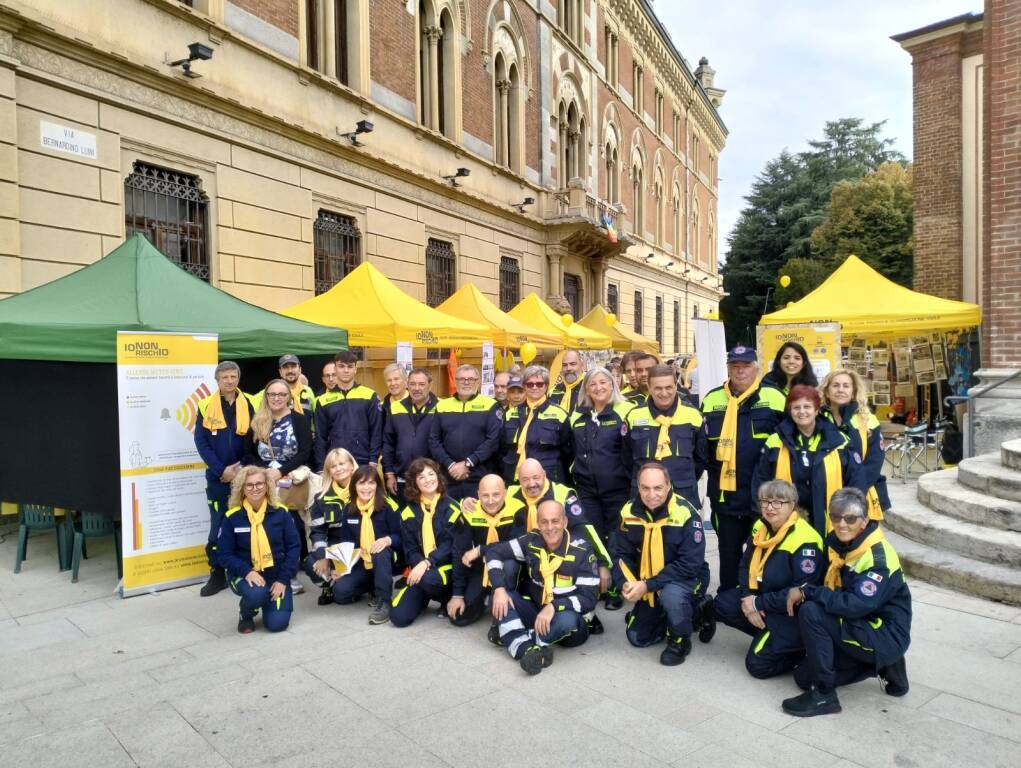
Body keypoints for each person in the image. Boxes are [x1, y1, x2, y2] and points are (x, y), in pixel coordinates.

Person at [782, 488, 911, 716]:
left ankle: (825, 695)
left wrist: (807, 591)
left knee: (811, 610)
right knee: (803, 677)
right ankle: (886, 665)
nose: (842, 524)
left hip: (883, 633)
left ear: (865, 521)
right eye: (836, 517)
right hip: (860, 624)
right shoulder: (840, 543)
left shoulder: (877, 558)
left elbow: (855, 605)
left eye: (850, 518)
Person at [715, 480, 824, 679]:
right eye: (765, 501)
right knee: (722, 604)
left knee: (757, 666)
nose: (770, 507)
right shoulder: (761, 526)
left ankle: (796, 650)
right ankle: (768, 635)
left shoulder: (806, 539)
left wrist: (757, 603)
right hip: (761, 598)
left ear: (792, 505)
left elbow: (801, 590)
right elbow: (745, 565)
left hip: (791, 612)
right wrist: (749, 597)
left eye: (778, 502)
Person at [611, 463, 715, 666]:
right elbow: (621, 554)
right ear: (638, 488)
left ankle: (683, 636)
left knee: (671, 597)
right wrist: (626, 583)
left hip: (686, 578)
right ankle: (669, 617)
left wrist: (647, 586)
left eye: (658, 488)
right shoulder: (628, 512)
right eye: (645, 488)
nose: (651, 495)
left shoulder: (686, 513)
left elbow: (689, 564)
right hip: (649, 580)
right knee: (637, 638)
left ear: (668, 486)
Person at [701, 346, 786, 591]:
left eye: (746, 365)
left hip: (764, 495)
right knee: (728, 554)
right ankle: (728, 600)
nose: (740, 371)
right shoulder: (712, 399)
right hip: (725, 495)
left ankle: (758, 599)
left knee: (763, 551)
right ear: (728, 368)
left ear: (756, 368)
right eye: (735, 366)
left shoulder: (776, 397)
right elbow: (701, 447)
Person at [484, 499, 600, 675]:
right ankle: (529, 649)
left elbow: (589, 599)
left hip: (569, 619)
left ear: (565, 522)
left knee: (568, 621)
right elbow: (494, 552)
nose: (550, 527)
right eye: (544, 522)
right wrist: (499, 588)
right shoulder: (532, 541)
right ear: (538, 524)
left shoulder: (582, 550)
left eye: (555, 521)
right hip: (539, 612)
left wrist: (554, 606)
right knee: (498, 599)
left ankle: (513, 636)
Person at [504, 458, 610, 632]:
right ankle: (508, 611)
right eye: (525, 479)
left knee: (571, 564)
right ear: (519, 479)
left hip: (556, 556)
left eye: (536, 477)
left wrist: (602, 563)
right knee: (507, 565)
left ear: (545, 475)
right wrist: (466, 503)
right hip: (526, 555)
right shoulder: (510, 493)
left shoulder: (563, 494)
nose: (532, 484)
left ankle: (582, 613)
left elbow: (584, 529)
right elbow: (487, 503)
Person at [753, 385, 862, 537]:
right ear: (790, 411)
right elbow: (761, 481)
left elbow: (855, 481)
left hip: (830, 520)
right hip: (786, 520)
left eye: (807, 407)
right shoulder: (775, 442)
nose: (802, 412)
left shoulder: (839, 441)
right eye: (796, 407)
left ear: (816, 410)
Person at [569, 366, 634, 610]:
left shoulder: (625, 411)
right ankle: (596, 584)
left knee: (617, 539)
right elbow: (569, 451)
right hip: (587, 491)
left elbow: (631, 452)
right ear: (586, 389)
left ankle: (617, 587)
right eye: (592, 384)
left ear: (613, 384)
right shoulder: (577, 416)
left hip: (617, 489)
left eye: (603, 383)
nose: (598, 388)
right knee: (591, 537)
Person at [244, 379, 313, 594]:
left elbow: (305, 452)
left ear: (288, 398)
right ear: (266, 397)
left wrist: (280, 471)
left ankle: (288, 576)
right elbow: (248, 454)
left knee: (290, 530)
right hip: (264, 484)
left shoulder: (300, 420)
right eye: (272, 394)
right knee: (268, 530)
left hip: (291, 483)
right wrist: (265, 473)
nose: (276, 398)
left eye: (281, 394)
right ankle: (266, 573)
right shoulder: (257, 422)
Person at [307, 464, 399, 624]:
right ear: (354, 485)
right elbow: (347, 542)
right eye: (361, 483)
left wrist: (387, 540)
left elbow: (402, 536)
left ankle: (384, 600)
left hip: (388, 557)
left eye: (371, 483)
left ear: (377, 485)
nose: (366, 488)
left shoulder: (388, 505)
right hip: (362, 560)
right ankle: (371, 585)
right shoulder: (349, 508)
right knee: (340, 593)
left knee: (379, 551)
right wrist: (343, 568)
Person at [194, 361, 255, 597]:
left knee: (249, 524)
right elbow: (202, 442)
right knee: (218, 527)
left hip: (245, 476)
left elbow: (255, 439)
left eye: (233, 376)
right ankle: (217, 574)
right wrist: (221, 470)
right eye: (225, 377)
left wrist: (240, 469)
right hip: (217, 478)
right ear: (217, 380)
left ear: (238, 378)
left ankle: (244, 572)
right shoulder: (205, 404)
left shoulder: (250, 402)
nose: (230, 381)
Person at [217, 465, 300, 633]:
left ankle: (265, 599)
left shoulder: (281, 513)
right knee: (256, 594)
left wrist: (283, 580)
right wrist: (247, 571)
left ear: (267, 486)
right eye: (249, 485)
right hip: (245, 574)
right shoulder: (232, 517)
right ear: (242, 488)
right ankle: (246, 613)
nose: (255, 488)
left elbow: (294, 548)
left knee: (277, 625)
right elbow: (224, 554)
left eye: (259, 483)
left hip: (276, 576)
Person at [391, 458, 464, 627]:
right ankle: (423, 597)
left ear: (438, 477)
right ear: (414, 483)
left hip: (447, 568)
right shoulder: (408, 512)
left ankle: (447, 598)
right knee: (398, 617)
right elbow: (409, 549)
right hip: (423, 571)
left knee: (430, 579)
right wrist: (420, 565)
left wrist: (427, 563)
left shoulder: (452, 508)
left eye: (431, 474)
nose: (428, 480)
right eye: (421, 477)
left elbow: (450, 546)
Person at [626, 364, 708, 506]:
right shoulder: (634, 416)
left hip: (683, 495)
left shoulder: (693, 415)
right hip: (645, 498)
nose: (664, 393)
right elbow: (626, 459)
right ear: (650, 388)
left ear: (676, 386)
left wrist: (683, 479)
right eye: (658, 388)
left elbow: (700, 458)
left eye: (668, 387)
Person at [448, 474, 523, 629]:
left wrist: (481, 550)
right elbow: (458, 552)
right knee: (460, 617)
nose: (490, 501)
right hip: (481, 570)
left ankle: (508, 605)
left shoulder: (518, 509)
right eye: (485, 495)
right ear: (477, 494)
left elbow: (516, 545)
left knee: (510, 565)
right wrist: (457, 594)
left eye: (496, 494)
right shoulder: (470, 512)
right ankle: (485, 598)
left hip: (507, 567)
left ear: (505, 492)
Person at [820, 368, 890, 520]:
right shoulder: (818, 419)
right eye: (835, 385)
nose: (841, 390)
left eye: (846, 386)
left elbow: (873, 463)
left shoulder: (867, 420)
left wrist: (852, 496)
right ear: (827, 391)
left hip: (861, 495)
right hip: (823, 495)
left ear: (853, 392)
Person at [429, 364, 503, 500]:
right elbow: (434, 441)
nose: (466, 382)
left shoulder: (490, 405)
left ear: (478, 381)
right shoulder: (441, 406)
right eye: (461, 379)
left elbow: (493, 440)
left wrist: (468, 463)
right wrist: (450, 465)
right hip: (449, 476)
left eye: (471, 379)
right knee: (450, 519)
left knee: (476, 518)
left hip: (479, 477)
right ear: (455, 381)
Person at [500, 365, 572, 484]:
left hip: (548, 478)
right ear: (524, 386)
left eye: (539, 384)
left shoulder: (560, 414)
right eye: (530, 384)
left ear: (546, 386)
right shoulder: (511, 413)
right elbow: (502, 448)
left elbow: (568, 452)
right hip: (515, 479)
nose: (534, 387)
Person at [313, 350, 382, 470]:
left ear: (355, 369)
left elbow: (376, 431)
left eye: (350, 367)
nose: (346, 370)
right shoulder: (323, 400)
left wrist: (373, 460)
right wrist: (320, 467)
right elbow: (320, 437)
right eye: (341, 366)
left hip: (363, 461)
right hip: (335, 462)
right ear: (335, 369)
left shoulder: (369, 395)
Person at [305, 447, 358, 604]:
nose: (338, 468)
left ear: (351, 465)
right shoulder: (321, 498)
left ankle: (363, 586)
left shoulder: (363, 490)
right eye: (333, 466)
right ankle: (327, 585)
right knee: (310, 562)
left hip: (359, 550)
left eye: (342, 463)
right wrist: (323, 557)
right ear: (329, 471)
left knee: (343, 595)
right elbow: (317, 532)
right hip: (335, 550)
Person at [383, 368, 437, 505]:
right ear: (407, 384)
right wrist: (389, 474)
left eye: (421, 384)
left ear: (430, 385)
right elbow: (388, 443)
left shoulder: (441, 407)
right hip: (402, 479)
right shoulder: (395, 408)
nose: (416, 388)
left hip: (430, 480)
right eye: (412, 384)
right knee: (403, 521)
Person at [250, 354, 315, 414]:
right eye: (285, 367)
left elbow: (314, 417)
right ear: (280, 372)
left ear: (300, 370)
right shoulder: (270, 391)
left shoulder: (308, 391)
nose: (290, 370)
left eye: (293, 366)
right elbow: (248, 402)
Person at [380, 362, 409, 430]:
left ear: (405, 381)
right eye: (389, 380)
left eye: (396, 379)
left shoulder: (416, 403)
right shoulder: (381, 408)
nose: (392, 383)